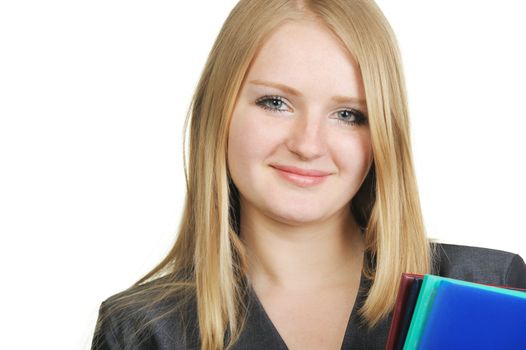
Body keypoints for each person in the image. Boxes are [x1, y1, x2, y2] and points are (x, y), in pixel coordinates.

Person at [90, 1, 526, 349]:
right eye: (276, 103)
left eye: (348, 114)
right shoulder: (143, 329)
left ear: (382, 136)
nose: (308, 143)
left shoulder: (484, 286)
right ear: (218, 112)